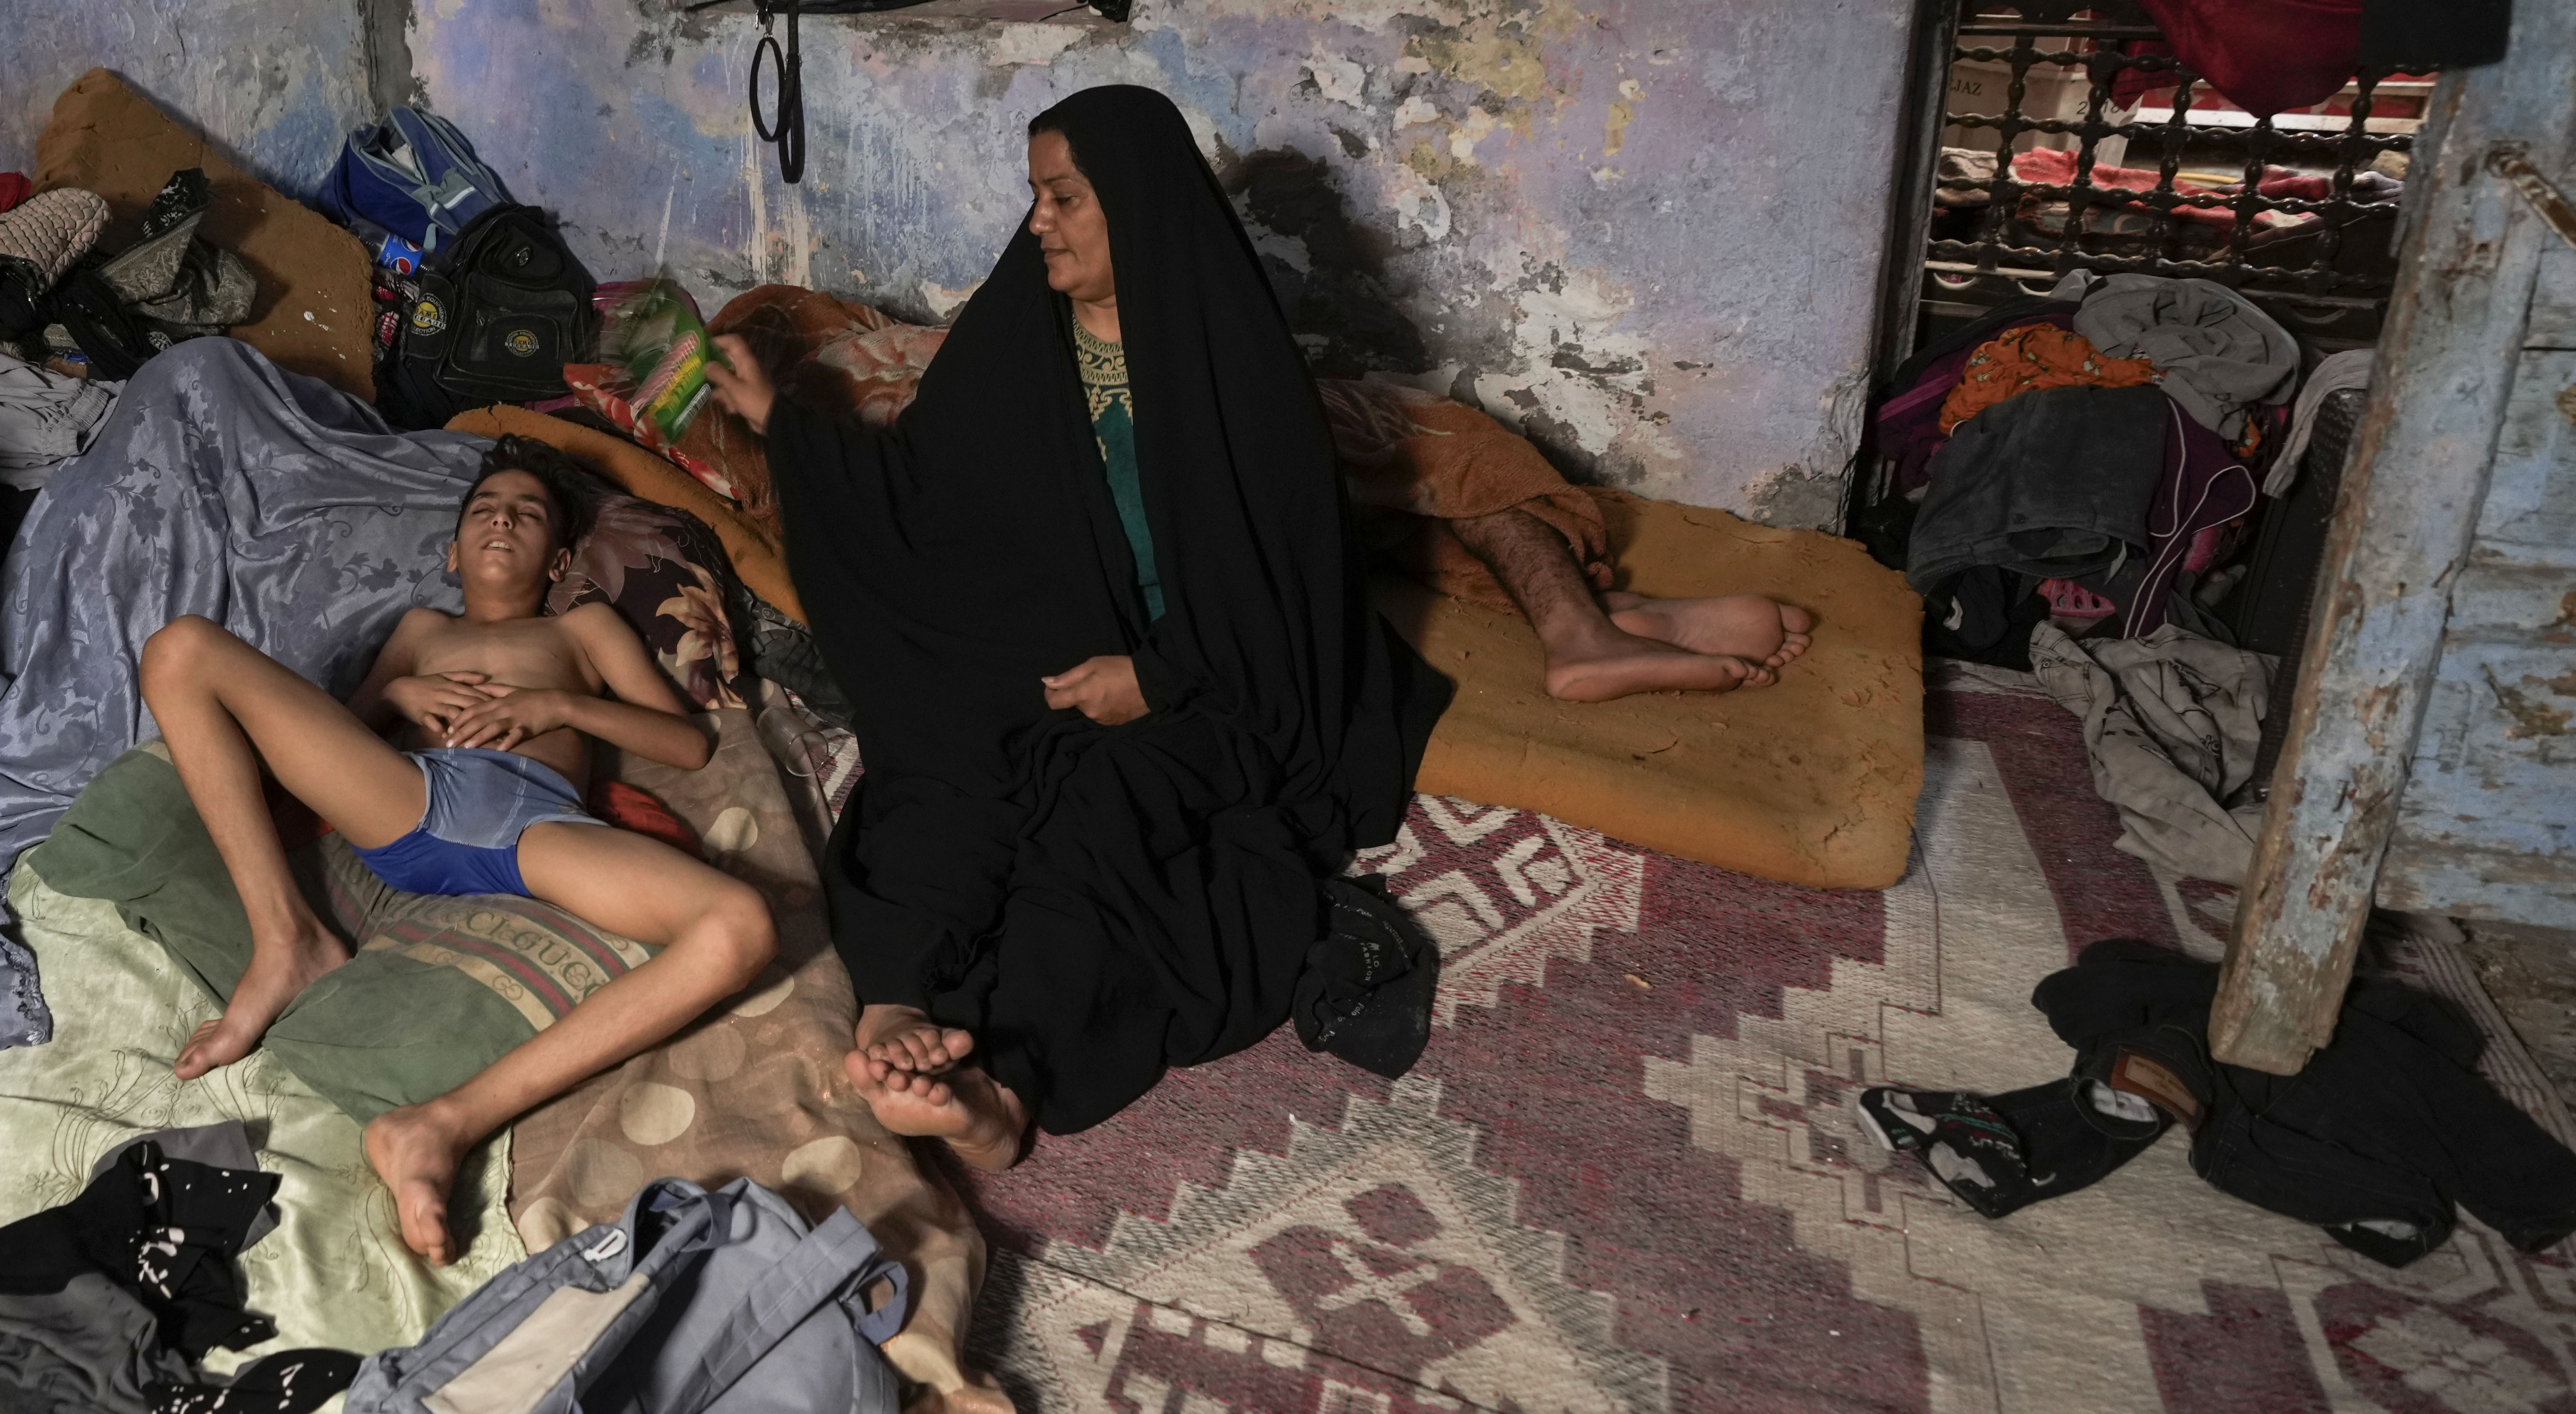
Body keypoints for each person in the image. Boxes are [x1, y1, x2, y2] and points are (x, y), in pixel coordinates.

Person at [705, 86, 1810, 1166]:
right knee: (935, 773)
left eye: (1065, 198)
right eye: (1037, 197)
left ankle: (1004, 1085)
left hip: (1206, 681)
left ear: (1135, 204)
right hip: (1034, 654)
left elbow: (1290, 599)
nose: (1038, 222)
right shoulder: (1014, 342)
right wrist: (790, 434)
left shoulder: (1232, 375)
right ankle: (895, 1006)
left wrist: (1158, 676)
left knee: (1110, 817)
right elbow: (927, 504)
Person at [134, 436, 776, 1262]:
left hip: (541, 828)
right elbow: (334, 743)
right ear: (453, 549)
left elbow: (685, 745)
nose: (503, 520)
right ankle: (288, 939)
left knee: (741, 924)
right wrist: (398, 690)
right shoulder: (420, 629)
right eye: (485, 510)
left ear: (560, 560)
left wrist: (563, 710)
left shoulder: (582, 630)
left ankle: (440, 1126)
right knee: (180, 647)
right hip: (413, 799)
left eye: (529, 514)